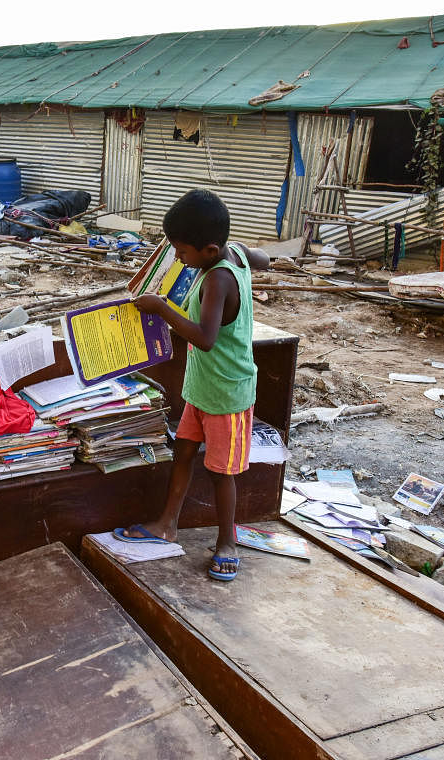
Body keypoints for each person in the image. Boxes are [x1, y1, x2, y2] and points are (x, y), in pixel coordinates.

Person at [113, 189, 269, 581]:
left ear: (210, 249)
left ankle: (227, 542)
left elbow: (205, 337)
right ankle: (167, 523)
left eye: (182, 253)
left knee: (222, 472)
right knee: (182, 452)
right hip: (201, 388)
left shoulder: (217, 279)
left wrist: (162, 308)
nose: (179, 259)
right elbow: (261, 258)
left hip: (227, 394)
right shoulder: (234, 254)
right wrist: (256, 258)